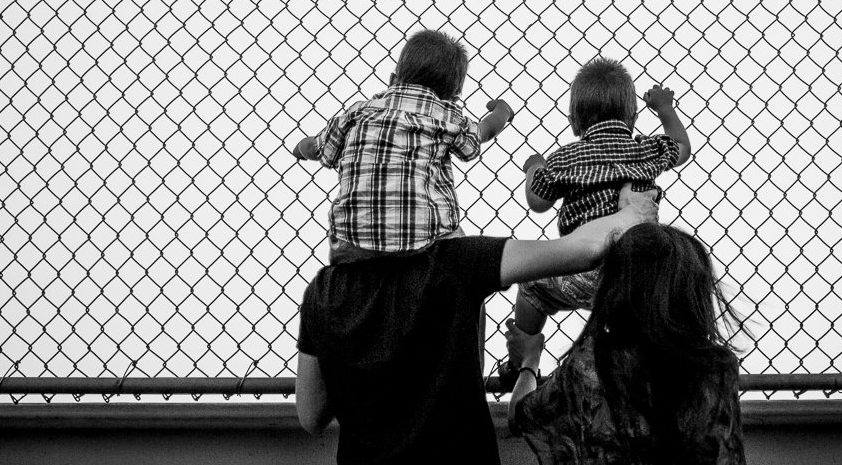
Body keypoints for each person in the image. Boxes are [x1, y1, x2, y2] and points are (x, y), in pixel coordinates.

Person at [295, 190, 663, 464]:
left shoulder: (323, 290)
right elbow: (582, 249)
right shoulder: (455, 260)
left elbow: (311, 416)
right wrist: (631, 213)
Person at [506, 222, 745, 465]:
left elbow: (520, 416)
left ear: (616, 289)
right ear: (694, 293)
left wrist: (529, 361)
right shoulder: (717, 369)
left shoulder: (590, 365)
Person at [508, 58, 691, 363]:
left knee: (532, 286)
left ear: (574, 119)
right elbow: (681, 147)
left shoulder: (567, 158)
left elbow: (538, 201)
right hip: (638, 274)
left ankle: (522, 358)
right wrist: (664, 108)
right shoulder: (644, 149)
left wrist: (534, 166)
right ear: (631, 117)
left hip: (583, 268)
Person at [291, 29, 513, 263]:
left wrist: (300, 148)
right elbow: (481, 133)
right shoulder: (446, 115)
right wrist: (502, 111)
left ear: (393, 80)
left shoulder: (359, 111)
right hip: (424, 242)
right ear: (454, 97)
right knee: (462, 263)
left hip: (352, 242)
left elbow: (317, 147)